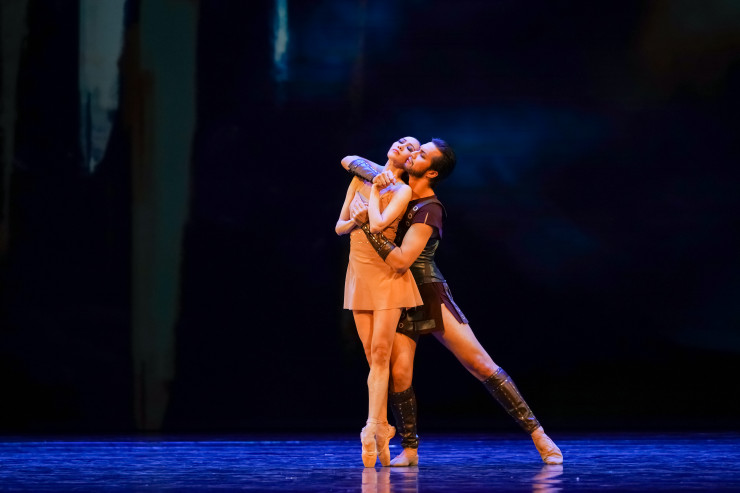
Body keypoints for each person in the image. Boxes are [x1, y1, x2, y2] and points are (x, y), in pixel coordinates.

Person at [343, 138, 563, 466]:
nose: (412, 153)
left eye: (421, 154)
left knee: (480, 363)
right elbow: (351, 160)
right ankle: (410, 449)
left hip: (426, 290)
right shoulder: (394, 186)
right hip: (395, 291)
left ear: (431, 172)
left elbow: (402, 260)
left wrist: (367, 227)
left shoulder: (429, 209)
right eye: (415, 149)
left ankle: (539, 435)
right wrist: (377, 177)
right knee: (399, 373)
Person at [335, 136, 424, 467]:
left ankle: (372, 427)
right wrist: (354, 219)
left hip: (387, 276)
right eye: (401, 141)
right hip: (359, 273)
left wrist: (375, 191)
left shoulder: (402, 190)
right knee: (372, 357)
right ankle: (382, 426)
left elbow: (378, 223)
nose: (402, 146)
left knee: (382, 353)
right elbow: (340, 227)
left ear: (413, 162)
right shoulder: (362, 176)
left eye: (411, 148)